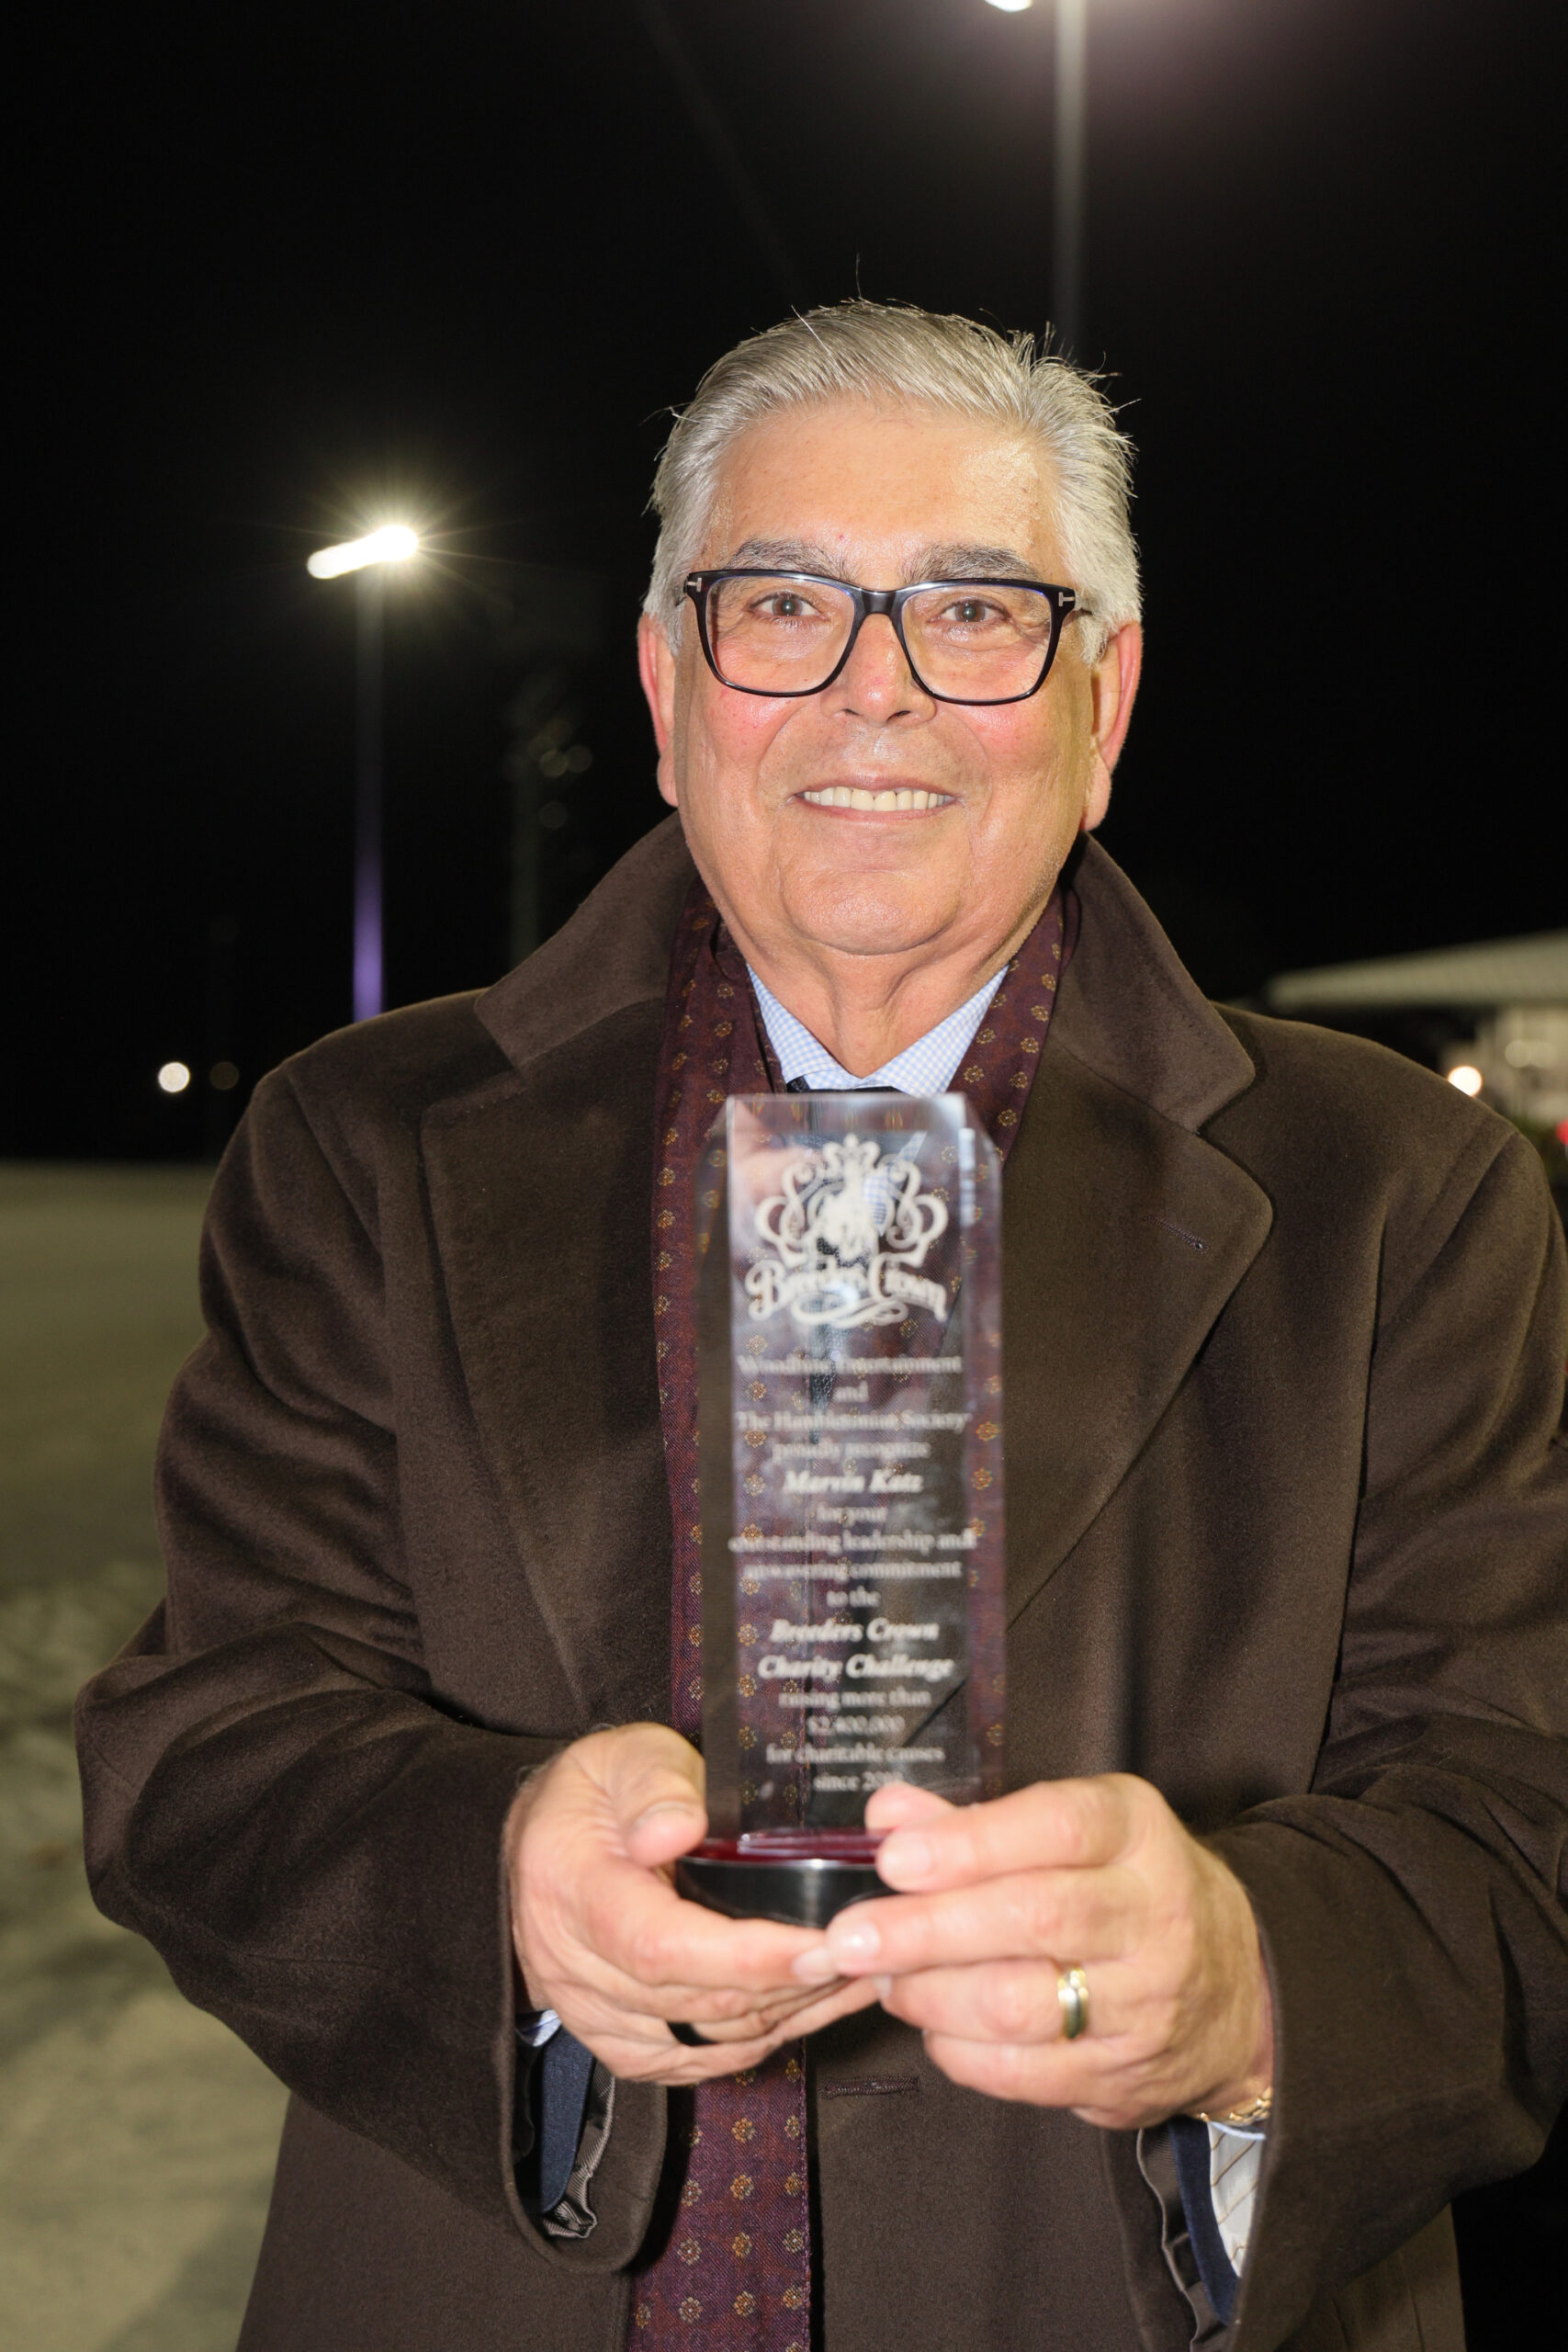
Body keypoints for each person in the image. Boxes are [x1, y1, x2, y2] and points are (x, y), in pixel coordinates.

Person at [76, 304, 1567, 2352]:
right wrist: (499, 1881)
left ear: (1101, 696)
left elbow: (1521, 1829)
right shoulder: (360, 1143)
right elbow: (205, 1753)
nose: (875, 693)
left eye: (972, 610)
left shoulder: (1404, 1196)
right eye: (781, 604)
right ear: (667, 685)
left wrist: (1243, 1978)